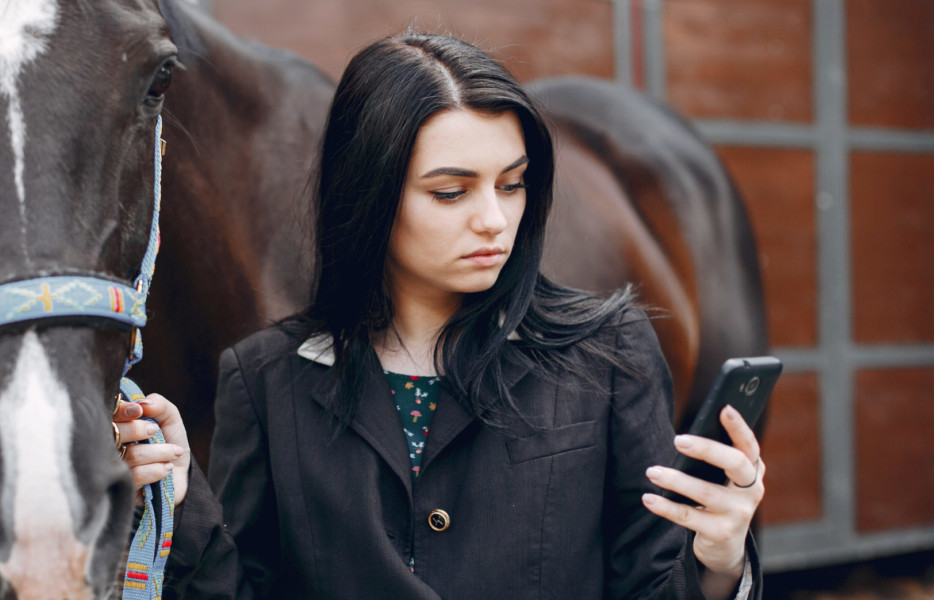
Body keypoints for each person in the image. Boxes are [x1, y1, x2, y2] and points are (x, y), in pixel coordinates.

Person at [113, 32, 765, 599]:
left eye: (512, 183)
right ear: (369, 196)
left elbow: (652, 585)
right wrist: (180, 500)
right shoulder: (263, 380)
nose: (494, 219)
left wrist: (718, 562)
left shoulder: (610, 354)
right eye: (451, 192)